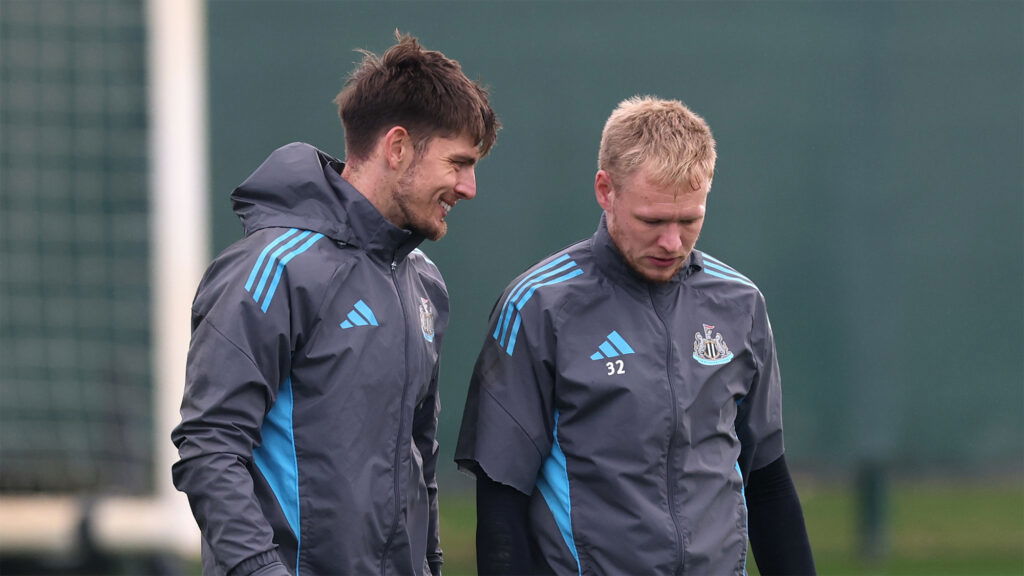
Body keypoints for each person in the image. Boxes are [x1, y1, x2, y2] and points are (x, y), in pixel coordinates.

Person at [172, 33, 499, 576]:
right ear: (397, 148)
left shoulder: (424, 281)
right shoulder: (272, 269)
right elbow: (210, 446)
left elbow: (419, 458)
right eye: (458, 163)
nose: (469, 187)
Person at [456, 96, 815, 575]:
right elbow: (502, 496)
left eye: (690, 220)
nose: (672, 242)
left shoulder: (740, 304)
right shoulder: (538, 305)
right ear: (606, 190)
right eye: (652, 220)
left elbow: (766, 478)